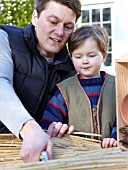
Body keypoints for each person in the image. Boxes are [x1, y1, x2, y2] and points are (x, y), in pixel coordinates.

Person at [0, 0, 81, 162]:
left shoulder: (73, 68)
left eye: (68, 27)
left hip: (39, 158)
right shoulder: (5, 38)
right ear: (35, 17)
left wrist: (58, 126)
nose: (59, 32)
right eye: (53, 21)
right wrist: (28, 128)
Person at [40, 25, 117, 148]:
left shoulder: (117, 86)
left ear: (104, 56)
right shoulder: (64, 90)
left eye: (91, 56)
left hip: (112, 155)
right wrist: (56, 129)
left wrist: (115, 137)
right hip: (76, 156)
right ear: (71, 58)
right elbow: (48, 123)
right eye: (78, 56)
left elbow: (124, 119)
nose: (85, 61)